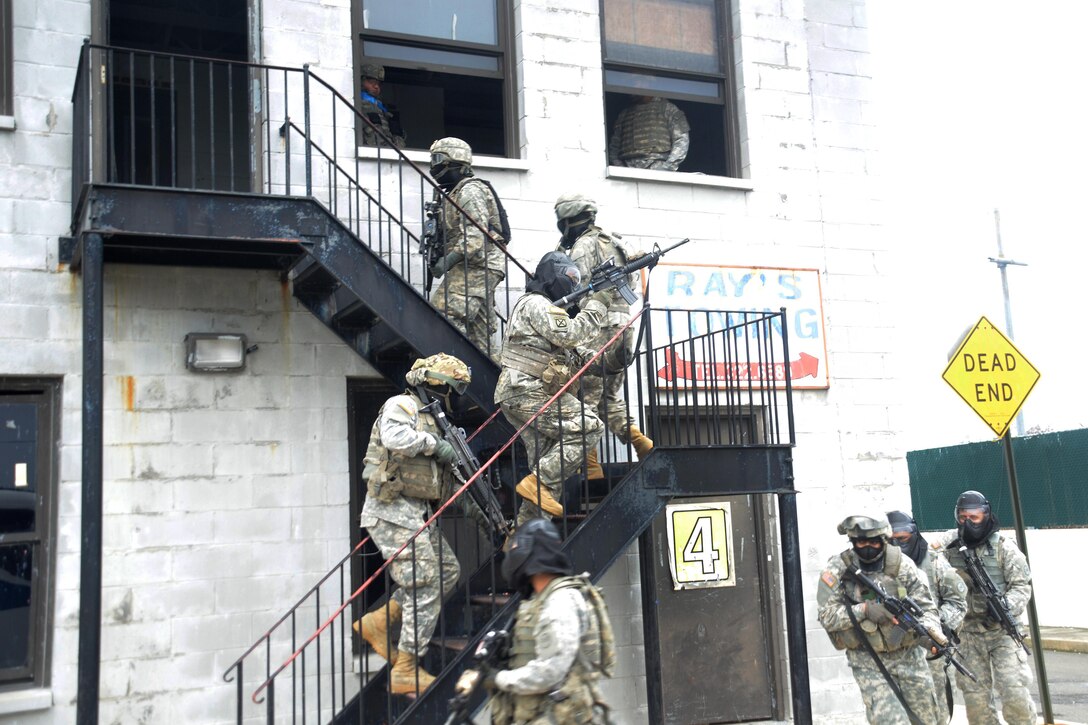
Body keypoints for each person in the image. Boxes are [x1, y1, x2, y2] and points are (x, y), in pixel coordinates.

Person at [354, 353, 470, 696]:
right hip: (390, 509)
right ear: (436, 384)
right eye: (453, 389)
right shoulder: (401, 405)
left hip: (415, 512)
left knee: (447, 571)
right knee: (423, 580)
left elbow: (450, 487)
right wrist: (435, 446)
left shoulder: (434, 421)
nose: (454, 397)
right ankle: (405, 668)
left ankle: (379, 621)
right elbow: (394, 439)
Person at [495, 252, 610, 524]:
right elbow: (570, 333)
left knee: (551, 470)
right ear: (552, 276)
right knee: (590, 426)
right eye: (569, 278)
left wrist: (610, 358)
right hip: (526, 390)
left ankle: (521, 539)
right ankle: (537, 483)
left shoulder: (547, 312)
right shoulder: (535, 303)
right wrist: (599, 304)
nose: (573, 284)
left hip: (523, 392)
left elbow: (574, 349)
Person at [553, 192, 653, 477]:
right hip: (623, 329)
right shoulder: (613, 242)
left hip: (597, 327)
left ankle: (592, 466)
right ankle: (641, 442)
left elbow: (574, 288)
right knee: (608, 397)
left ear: (568, 220)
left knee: (585, 396)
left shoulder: (584, 246)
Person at [816, 515, 942, 724]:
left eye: (873, 542)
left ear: (884, 541)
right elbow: (826, 616)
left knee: (927, 718)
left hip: (908, 655)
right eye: (861, 542)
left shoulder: (903, 565)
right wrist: (863, 610)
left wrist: (929, 632)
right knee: (889, 720)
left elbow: (927, 608)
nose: (867, 547)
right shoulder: (838, 568)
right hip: (868, 659)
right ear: (853, 542)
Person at [487, 518, 614, 724]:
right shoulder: (540, 600)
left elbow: (551, 670)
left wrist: (500, 679)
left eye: (517, 546)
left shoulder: (560, 601)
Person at [936, 491, 1036, 725]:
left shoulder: (1003, 547)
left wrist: (1004, 606)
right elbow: (926, 561)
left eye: (975, 516)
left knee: (1014, 694)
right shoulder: (949, 545)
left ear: (986, 515)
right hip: (968, 635)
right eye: (963, 517)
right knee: (976, 700)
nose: (969, 522)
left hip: (1002, 632)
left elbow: (1022, 586)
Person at [428, 137, 508, 355]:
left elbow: (475, 237)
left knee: (446, 314)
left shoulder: (470, 190)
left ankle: (449, 370)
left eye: (438, 160)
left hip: (478, 265)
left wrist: (446, 262)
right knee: (479, 335)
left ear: (456, 162)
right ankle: (487, 378)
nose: (433, 166)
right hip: (477, 266)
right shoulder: (453, 193)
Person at [887, 509, 968, 724]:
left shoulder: (933, 563)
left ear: (914, 535)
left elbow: (958, 602)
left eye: (902, 539)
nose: (897, 546)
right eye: (891, 541)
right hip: (896, 651)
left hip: (931, 650)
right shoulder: (880, 568)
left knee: (938, 712)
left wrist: (937, 625)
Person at [607, 95, 690, 171]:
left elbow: (681, 140)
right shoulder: (624, 114)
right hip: (627, 170)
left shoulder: (667, 108)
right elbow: (614, 147)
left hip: (657, 167)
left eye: (638, 82)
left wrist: (666, 168)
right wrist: (621, 168)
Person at [358, 62, 406, 148]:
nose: (376, 86)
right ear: (361, 80)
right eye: (372, 82)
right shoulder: (356, 102)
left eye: (378, 84)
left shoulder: (383, 108)